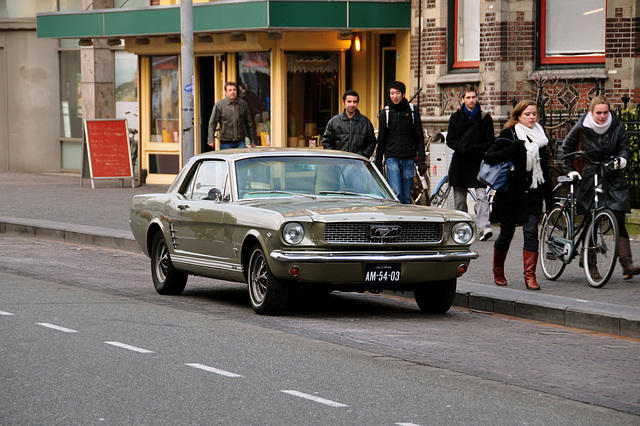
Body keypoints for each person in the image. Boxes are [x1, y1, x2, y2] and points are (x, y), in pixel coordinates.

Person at [563, 95, 640, 280]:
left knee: (619, 217)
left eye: (605, 112)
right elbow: (567, 148)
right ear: (592, 112)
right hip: (591, 175)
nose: (602, 116)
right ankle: (591, 264)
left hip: (612, 175)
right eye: (598, 112)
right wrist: (570, 170)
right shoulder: (583, 125)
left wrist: (622, 159)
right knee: (592, 219)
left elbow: (624, 147)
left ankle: (627, 265)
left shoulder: (617, 125)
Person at [484, 100, 554, 290]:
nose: (532, 117)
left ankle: (529, 276)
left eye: (534, 114)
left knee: (531, 231)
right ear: (518, 116)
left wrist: (550, 199)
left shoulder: (540, 136)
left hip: (533, 193)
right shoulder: (510, 134)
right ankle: (498, 270)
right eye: (527, 114)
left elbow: (544, 171)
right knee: (506, 235)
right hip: (511, 195)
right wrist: (511, 149)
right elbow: (489, 157)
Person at [446, 85, 495, 241]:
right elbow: (450, 139)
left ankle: (484, 227)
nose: (471, 100)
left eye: (473, 97)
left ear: (477, 98)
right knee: (460, 199)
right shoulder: (455, 118)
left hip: (477, 161)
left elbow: (490, 141)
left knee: (481, 195)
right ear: (462, 99)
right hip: (460, 161)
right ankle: (462, 228)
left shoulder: (485, 118)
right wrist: (461, 146)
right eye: (468, 97)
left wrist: (475, 148)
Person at [375, 81, 427, 204]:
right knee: (396, 192)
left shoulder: (412, 111)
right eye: (392, 93)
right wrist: (378, 162)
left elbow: (419, 137)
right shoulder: (386, 113)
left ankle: (407, 220)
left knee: (406, 194)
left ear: (403, 94)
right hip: (392, 157)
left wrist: (421, 159)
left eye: (397, 93)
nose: (394, 96)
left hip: (409, 158)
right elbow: (381, 139)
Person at [322, 90, 377, 158]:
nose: (352, 105)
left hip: (358, 163)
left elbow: (371, 142)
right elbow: (326, 141)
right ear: (343, 102)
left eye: (355, 102)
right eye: (349, 101)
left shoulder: (365, 122)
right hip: (338, 162)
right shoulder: (334, 121)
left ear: (357, 103)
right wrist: (334, 157)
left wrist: (364, 156)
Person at [208, 81, 256, 150]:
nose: (232, 92)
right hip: (225, 142)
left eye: (234, 90)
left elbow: (249, 123)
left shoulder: (243, 104)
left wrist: (253, 141)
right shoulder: (219, 105)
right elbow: (212, 123)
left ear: (237, 91)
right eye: (230, 90)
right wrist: (211, 140)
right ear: (225, 92)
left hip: (240, 141)